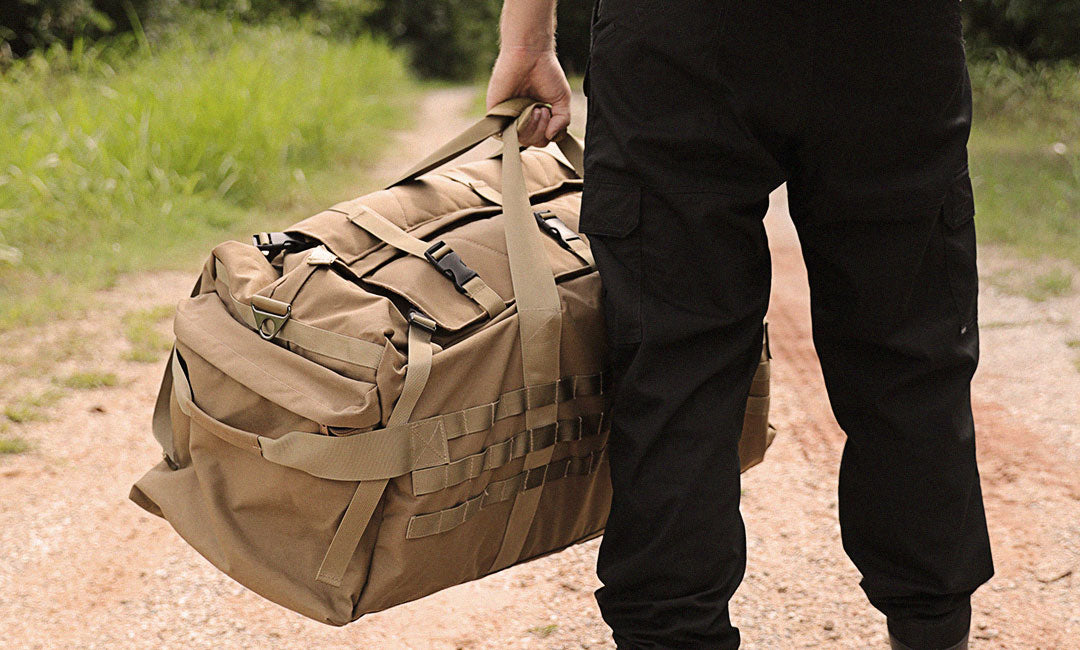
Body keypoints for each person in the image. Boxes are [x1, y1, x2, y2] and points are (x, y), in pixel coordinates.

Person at [487, 1, 993, 649]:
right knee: (906, 340)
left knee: (673, 352)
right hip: (891, 33)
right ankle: (932, 630)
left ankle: (674, 635)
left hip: (675, 32)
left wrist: (528, 40)